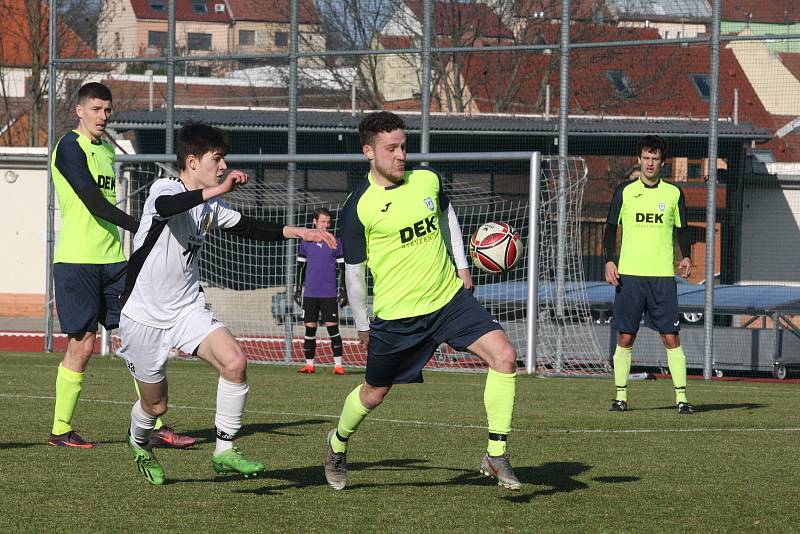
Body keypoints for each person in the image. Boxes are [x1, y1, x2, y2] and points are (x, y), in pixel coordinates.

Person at [117, 121, 336, 485]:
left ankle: (223, 451)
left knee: (235, 363)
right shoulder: (163, 189)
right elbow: (173, 205)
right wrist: (219, 189)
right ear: (191, 161)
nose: (223, 166)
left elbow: (250, 228)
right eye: (216, 159)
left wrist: (300, 231)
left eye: (224, 160)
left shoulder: (210, 206)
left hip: (187, 308)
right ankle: (139, 442)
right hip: (142, 316)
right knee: (156, 406)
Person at [323, 111, 521, 491]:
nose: (401, 155)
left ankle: (495, 454)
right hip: (399, 318)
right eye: (391, 148)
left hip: (448, 300)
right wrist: (362, 323)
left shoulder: (427, 180)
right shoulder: (358, 207)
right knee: (374, 393)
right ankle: (337, 444)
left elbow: (447, 215)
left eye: (403, 146)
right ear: (369, 151)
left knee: (505, 356)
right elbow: (354, 272)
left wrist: (461, 265)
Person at [48, 82, 194, 449]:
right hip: (77, 262)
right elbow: (93, 203)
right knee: (81, 347)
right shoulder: (69, 147)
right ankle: (61, 429)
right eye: (96, 109)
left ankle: (151, 425)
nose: (103, 116)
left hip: (114, 260)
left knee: (137, 340)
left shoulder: (106, 152)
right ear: (79, 111)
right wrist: (143, 225)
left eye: (107, 110)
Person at [604, 135, 694, 415]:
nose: (650, 163)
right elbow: (609, 228)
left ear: (662, 162)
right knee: (626, 337)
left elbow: (682, 229)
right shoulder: (625, 191)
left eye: (655, 158)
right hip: (629, 276)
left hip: (662, 279)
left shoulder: (674, 194)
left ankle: (682, 399)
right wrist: (609, 260)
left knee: (670, 337)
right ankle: (620, 397)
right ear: (639, 160)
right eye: (646, 158)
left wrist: (687, 256)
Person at [294, 207, 348, 375]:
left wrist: (343, 290)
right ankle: (309, 365)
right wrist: (298, 288)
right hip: (310, 293)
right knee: (310, 329)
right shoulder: (306, 242)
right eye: (323, 222)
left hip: (329, 294)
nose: (326, 225)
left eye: (328, 222)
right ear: (314, 222)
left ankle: (338, 366)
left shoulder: (336, 242)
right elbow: (301, 267)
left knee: (333, 329)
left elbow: (342, 269)